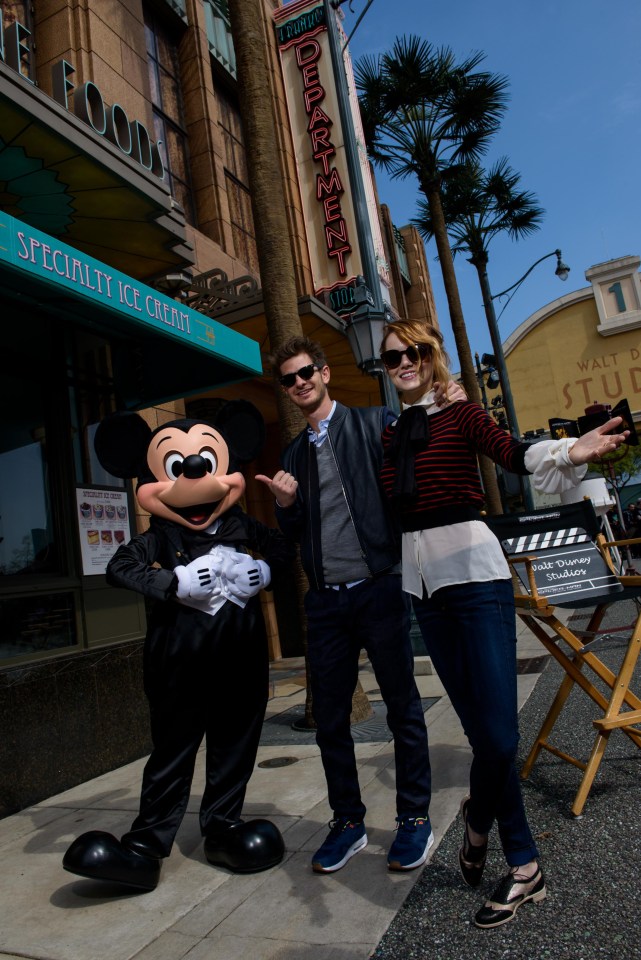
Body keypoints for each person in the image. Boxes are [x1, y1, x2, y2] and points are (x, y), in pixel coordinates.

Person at [377, 319, 629, 928]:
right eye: (392, 358)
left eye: (415, 353)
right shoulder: (388, 435)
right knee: (481, 734)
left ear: (432, 358)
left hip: (475, 578)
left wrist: (571, 450)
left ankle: (480, 824)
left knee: (498, 739)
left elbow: (514, 452)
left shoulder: (462, 417)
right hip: (423, 588)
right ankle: (526, 867)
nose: (404, 363)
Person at [256, 335, 464, 875]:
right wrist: (285, 506)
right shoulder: (293, 454)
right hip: (326, 601)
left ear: (324, 373)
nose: (299, 384)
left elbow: (419, 444)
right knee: (329, 720)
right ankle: (347, 822)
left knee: (402, 708)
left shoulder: (373, 424)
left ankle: (414, 819)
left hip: (379, 586)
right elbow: (301, 531)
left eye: (306, 373)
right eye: (289, 380)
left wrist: (445, 404)